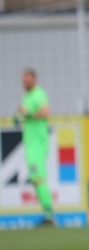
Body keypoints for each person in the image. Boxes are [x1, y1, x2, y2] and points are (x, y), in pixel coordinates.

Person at [15, 69, 52, 227]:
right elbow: (21, 114)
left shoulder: (38, 93)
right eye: (24, 80)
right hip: (31, 143)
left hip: (37, 142)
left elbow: (45, 111)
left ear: (34, 80)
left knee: (38, 178)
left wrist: (28, 114)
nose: (25, 83)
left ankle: (49, 214)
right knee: (36, 179)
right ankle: (47, 214)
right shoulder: (27, 96)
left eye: (28, 79)